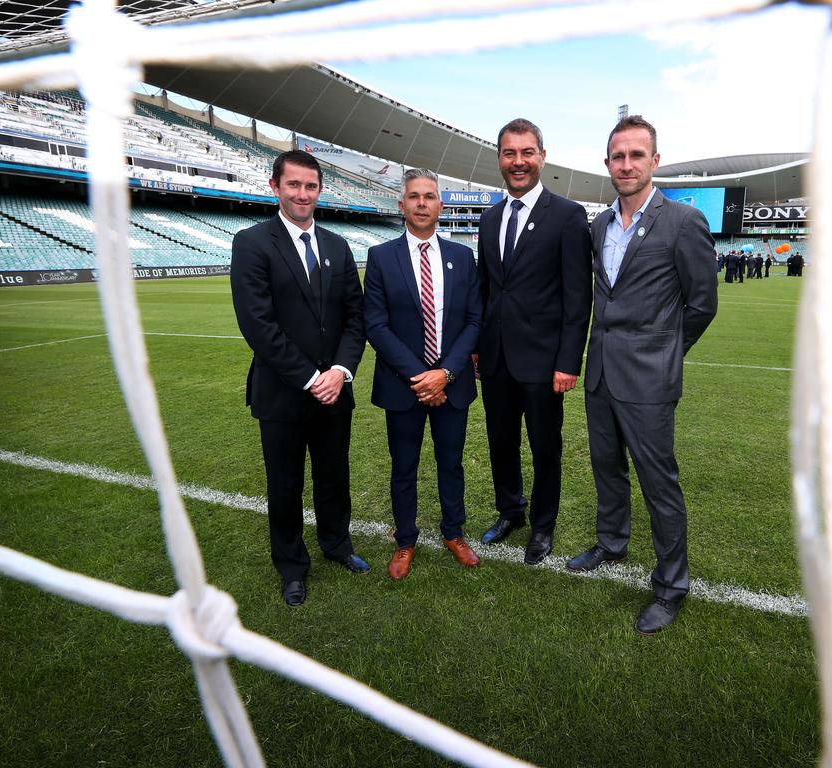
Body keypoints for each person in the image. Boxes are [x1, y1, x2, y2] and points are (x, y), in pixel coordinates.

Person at [570, 115, 717, 634]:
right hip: (601, 374)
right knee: (606, 469)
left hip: (649, 380)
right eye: (618, 156)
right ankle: (612, 544)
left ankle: (671, 586)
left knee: (659, 483)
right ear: (607, 164)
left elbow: (701, 305)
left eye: (636, 155)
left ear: (654, 162)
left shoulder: (682, 221)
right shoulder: (598, 226)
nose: (626, 164)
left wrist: (664, 352)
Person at [230, 150, 369, 607]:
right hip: (283, 394)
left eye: (310, 186)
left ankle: (337, 545)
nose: (302, 194)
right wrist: (312, 378)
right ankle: (291, 566)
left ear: (320, 190)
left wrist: (341, 371)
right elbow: (258, 326)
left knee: (334, 477)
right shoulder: (251, 242)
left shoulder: (336, 245)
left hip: (335, 391)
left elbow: (355, 317)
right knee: (285, 485)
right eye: (293, 185)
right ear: (275, 187)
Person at [475, 118, 592, 565]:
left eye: (527, 152)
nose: (518, 161)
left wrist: (568, 361)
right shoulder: (489, 218)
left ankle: (543, 527)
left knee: (545, 448)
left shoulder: (567, 215)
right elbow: (487, 289)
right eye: (510, 153)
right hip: (495, 360)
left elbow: (578, 297)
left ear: (542, 156)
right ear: (500, 159)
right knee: (500, 443)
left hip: (544, 364)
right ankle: (510, 512)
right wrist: (476, 349)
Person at [364, 169, 482, 580]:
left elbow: (473, 320)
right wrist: (422, 376)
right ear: (402, 205)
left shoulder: (463, 256)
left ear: (440, 205)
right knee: (404, 466)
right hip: (404, 386)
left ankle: (454, 532)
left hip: (453, 384)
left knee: (451, 463)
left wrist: (446, 373)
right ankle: (406, 540)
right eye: (413, 196)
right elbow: (375, 325)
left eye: (429, 196)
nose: (421, 203)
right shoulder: (381, 257)